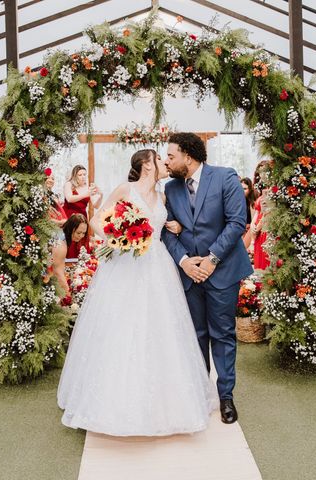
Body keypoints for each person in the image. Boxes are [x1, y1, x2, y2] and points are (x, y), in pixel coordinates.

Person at [58, 148, 215, 436]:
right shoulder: (125, 189)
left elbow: (169, 230)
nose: (165, 163)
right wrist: (118, 237)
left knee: (161, 328)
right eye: (160, 159)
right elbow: (96, 221)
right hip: (126, 264)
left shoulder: (165, 195)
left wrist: (177, 226)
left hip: (158, 266)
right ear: (146, 165)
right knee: (121, 325)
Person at [162, 133, 253, 425]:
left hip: (222, 272)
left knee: (223, 334)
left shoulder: (225, 177)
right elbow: (165, 230)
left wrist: (212, 260)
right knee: (196, 336)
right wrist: (185, 261)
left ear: (188, 156)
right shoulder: (170, 188)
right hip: (189, 274)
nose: (167, 161)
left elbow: (237, 222)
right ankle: (200, 392)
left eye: (171, 156)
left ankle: (226, 396)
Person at [46, 173, 69, 292]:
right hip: (48, 234)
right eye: (48, 177)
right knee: (50, 271)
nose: (50, 180)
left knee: (59, 270)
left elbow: (62, 217)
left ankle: (68, 299)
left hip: (58, 234)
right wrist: (59, 221)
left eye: (53, 178)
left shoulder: (54, 197)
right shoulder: (39, 197)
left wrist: (62, 221)